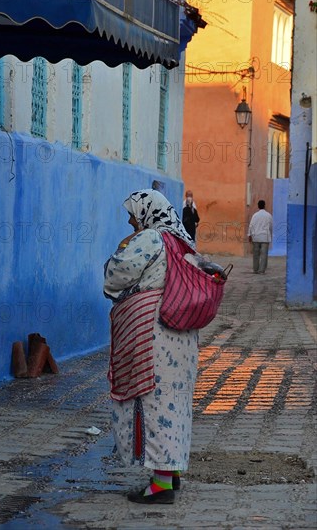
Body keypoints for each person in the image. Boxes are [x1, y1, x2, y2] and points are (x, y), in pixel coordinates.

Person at [103, 189, 199, 504]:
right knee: (175, 406)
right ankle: (170, 476)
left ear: (147, 213)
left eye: (133, 214)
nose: (131, 220)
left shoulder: (151, 239)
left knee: (154, 406)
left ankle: (160, 487)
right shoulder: (183, 241)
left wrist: (118, 253)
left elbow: (116, 274)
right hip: (182, 338)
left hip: (154, 338)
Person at [248, 200, 273, 274]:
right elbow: (271, 226)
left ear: (258, 206)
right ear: (264, 205)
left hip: (256, 237)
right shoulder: (268, 215)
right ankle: (261, 270)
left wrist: (249, 235)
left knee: (256, 254)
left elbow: (251, 226)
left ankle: (255, 269)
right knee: (264, 255)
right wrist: (270, 234)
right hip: (265, 237)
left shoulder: (255, 215)